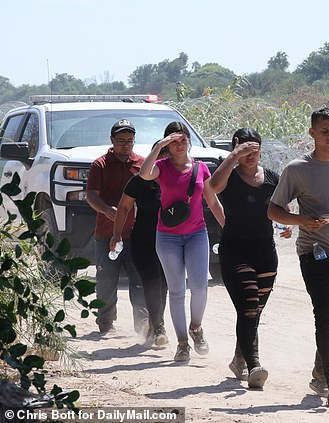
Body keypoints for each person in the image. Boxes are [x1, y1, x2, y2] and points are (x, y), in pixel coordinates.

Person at [268, 107, 329, 409]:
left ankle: (320, 372)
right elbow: (274, 210)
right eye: (325, 131)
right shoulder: (297, 169)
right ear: (312, 133)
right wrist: (302, 220)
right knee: (325, 314)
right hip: (314, 252)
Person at [209, 128, 291, 389]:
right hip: (235, 251)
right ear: (236, 148)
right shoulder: (229, 176)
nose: (250, 155)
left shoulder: (272, 178)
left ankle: (238, 357)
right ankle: (254, 364)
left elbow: (280, 209)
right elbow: (213, 186)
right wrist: (233, 156)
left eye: (255, 150)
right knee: (247, 308)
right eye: (245, 150)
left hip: (266, 254)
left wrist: (286, 225)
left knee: (254, 312)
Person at [139, 121, 225, 363]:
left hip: (197, 234)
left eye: (183, 139)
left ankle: (196, 328)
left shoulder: (200, 169)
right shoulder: (161, 167)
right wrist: (158, 147)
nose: (180, 144)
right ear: (167, 145)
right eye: (173, 141)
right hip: (167, 237)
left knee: (200, 287)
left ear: (189, 141)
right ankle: (182, 343)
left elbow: (213, 202)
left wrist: (229, 229)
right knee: (177, 292)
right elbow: (144, 173)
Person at [86, 119, 148, 336]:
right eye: (121, 140)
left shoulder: (141, 164)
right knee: (106, 280)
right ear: (112, 140)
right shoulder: (99, 165)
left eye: (129, 141)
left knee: (139, 279)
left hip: (135, 235)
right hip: (106, 234)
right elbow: (91, 196)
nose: (125, 145)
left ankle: (143, 324)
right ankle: (106, 322)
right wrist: (105, 209)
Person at [111, 141, 169, 348]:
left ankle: (154, 326)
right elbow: (124, 207)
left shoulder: (176, 180)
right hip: (143, 241)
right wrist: (116, 235)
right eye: (159, 156)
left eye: (167, 156)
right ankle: (160, 329)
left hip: (169, 241)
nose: (164, 160)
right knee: (152, 280)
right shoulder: (140, 181)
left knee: (164, 284)